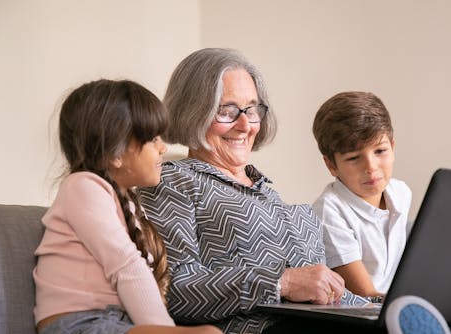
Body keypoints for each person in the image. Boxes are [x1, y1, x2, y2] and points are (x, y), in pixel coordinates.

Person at [138, 48, 354, 334]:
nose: (244, 125)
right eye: (226, 111)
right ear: (192, 112)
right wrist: (282, 282)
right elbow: (173, 289)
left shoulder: (266, 191)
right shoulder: (172, 181)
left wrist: (375, 304)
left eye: (251, 110)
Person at [33, 79, 222, 334]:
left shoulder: (126, 199)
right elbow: (127, 266)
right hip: (76, 325)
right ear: (116, 153)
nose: (163, 147)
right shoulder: (82, 187)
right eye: (153, 138)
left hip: (113, 322)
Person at [311, 91, 412, 299]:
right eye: (354, 158)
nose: (371, 167)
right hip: (363, 314)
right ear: (331, 165)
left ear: (392, 147)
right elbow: (366, 295)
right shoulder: (329, 210)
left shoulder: (401, 192)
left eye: (380, 151)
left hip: (394, 302)